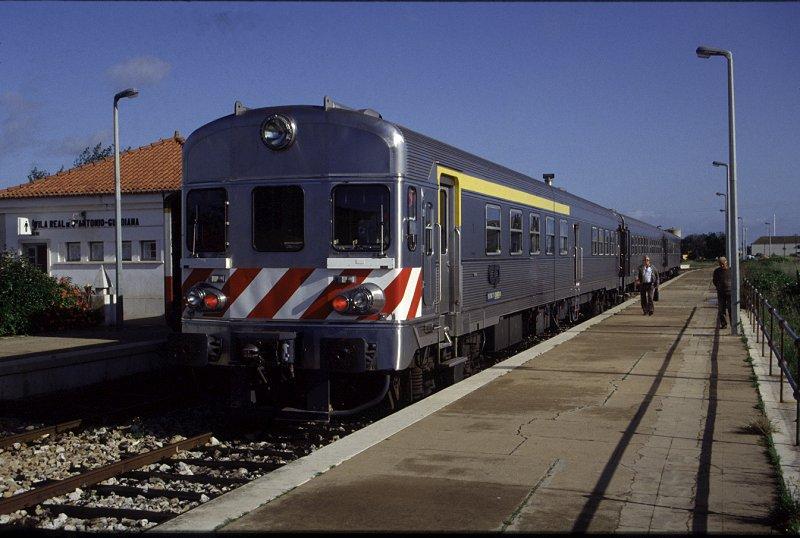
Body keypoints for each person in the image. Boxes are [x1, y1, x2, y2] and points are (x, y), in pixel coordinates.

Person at [713, 256, 732, 329]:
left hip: (730, 292)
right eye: (720, 264)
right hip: (721, 292)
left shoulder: (731, 270)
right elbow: (714, 281)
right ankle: (724, 324)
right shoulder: (717, 271)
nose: (721, 265)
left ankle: (733, 324)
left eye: (723, 264)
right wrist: (718, 286)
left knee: (731, 309)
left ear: (726, 262)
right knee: (721, 310)